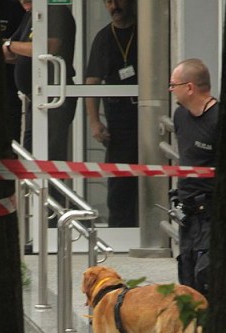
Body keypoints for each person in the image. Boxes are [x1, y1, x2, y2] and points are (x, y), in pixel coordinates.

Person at [169, 58, 219, 333]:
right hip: (190, 215)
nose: (170, 91)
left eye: (173, 85)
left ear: (190, 87)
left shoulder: (219, 119)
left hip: (214, 214)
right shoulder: (180, 117)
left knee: (208, 282)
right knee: (189, 287)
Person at [85, 0, 139, 227]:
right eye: (108, 2)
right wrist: (94, 120)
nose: (114, 6)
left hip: (147, 115)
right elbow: (92, 81)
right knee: (120, 182)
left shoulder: (145, 31)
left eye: (118, 0)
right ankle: (120, 231)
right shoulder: (103, 37)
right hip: (118, 121)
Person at [3, 0, 77, 161]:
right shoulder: (31, 15)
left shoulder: (56, 11)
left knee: (49, 158)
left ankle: (52, 187)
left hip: (54, 96)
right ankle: (39, 186)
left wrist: (10, 45)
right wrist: (11, 47)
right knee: (30, 156)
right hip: (35, 97)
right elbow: (12, 50)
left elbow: (50, 46)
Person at [0, 0, 27, 142]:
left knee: (9, 144)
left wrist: (8, 47)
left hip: (9, 88)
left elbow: (22, 50)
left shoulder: (16, 7)